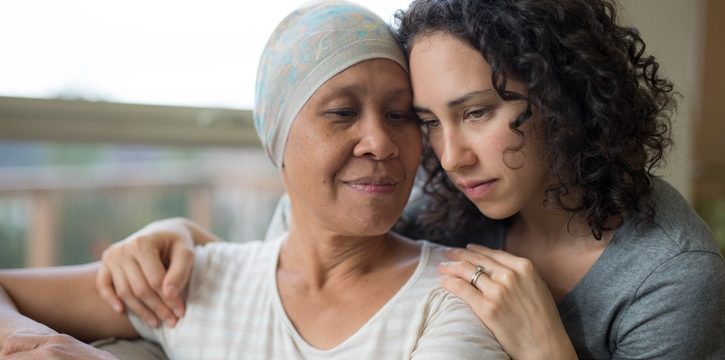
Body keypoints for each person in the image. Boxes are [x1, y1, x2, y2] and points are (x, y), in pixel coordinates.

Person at [97, 0, 725, 359]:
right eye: (427, 121)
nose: (451, 158)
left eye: (476, 113)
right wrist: (176, 233)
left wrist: (547, 352)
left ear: (566, 95)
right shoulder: (437, 195)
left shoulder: (670, 274)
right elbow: (297, 256)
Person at [0, 1, 509, 359]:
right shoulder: (190, 283)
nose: (379, 142)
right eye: (341, 113)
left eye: (400, 116)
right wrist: (31, 341)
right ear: (278, 139)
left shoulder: (462, 293)